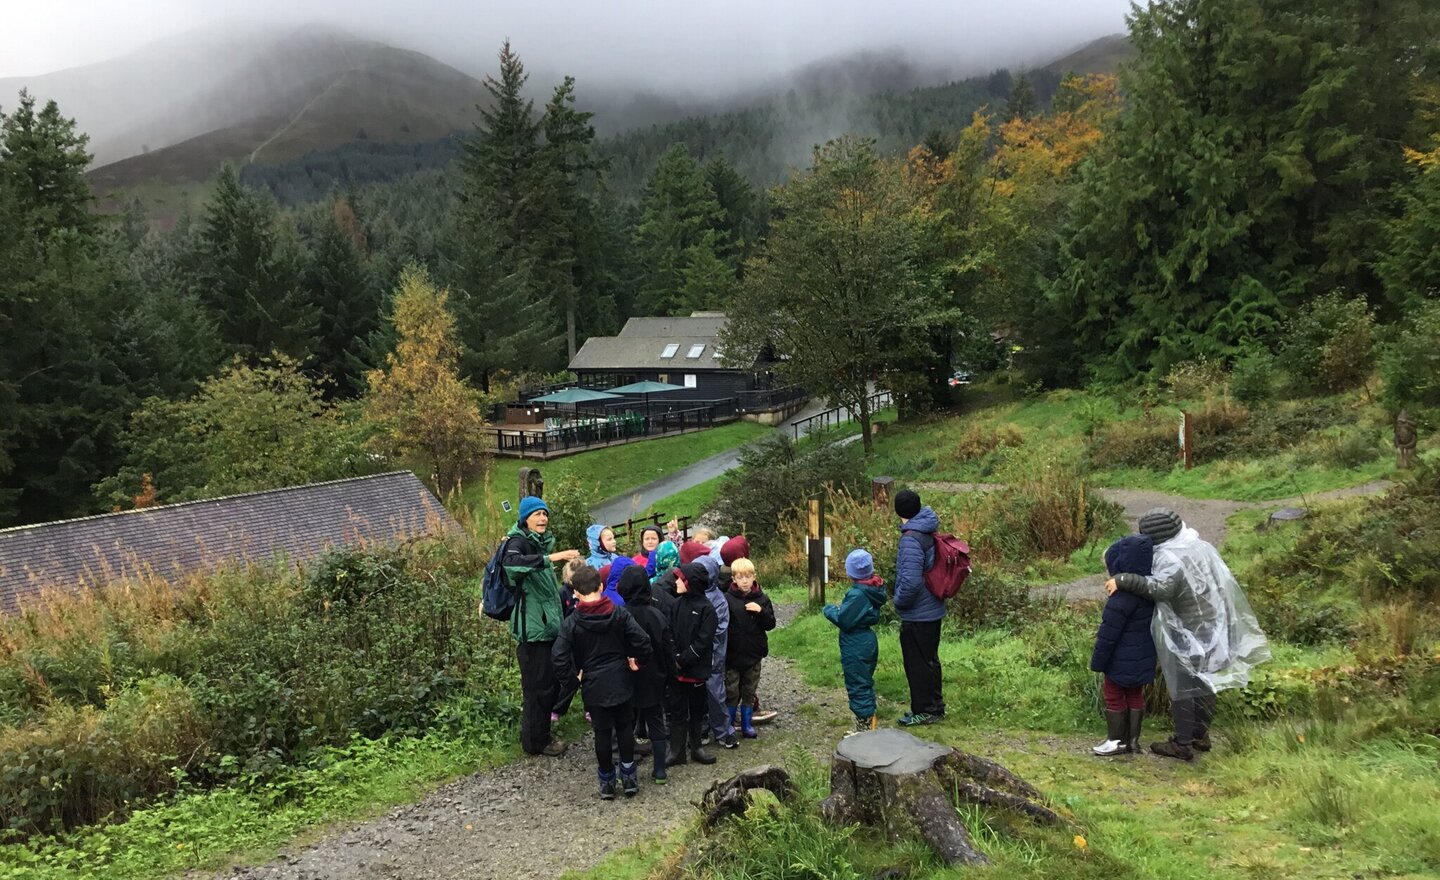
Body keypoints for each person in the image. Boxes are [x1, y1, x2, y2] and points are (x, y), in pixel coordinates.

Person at [1107, 508, 1271, 760]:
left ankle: (1182, 743)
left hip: (1187, 631)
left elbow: (1161, 588)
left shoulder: (1171, 558)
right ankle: (1200, 735)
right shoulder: (1200, 546)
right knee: (1205, 681)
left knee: (1183, 686)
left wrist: (1125, 579)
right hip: (1214, 625)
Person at [552, 564, 653, 799]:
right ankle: (629, 778)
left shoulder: (572, 622)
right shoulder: (619, 613)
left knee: (602, 733)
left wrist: (572, 680)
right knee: (624, 728)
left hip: (593, 683)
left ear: (575, 592)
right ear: (601, 586)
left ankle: (607, 783)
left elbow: (557, 656)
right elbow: (643, 640)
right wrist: (638, 661)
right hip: (621, 678)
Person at [503, 495, 581, 757]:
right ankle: (536, 742)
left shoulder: (537, 543)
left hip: (546, 628)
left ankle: (539, 736)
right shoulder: (518, 542)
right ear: (525, 518)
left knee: (548, 684)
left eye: (545, 514)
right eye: (537, 514)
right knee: (537, 688)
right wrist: (551, 557)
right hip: (532, 631)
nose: (543, 518)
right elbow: (511, 565)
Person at [1089, 535, 1156, 757]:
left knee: (1113, 694)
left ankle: (1115, 740)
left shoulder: (1120, 600)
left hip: (1119, 660)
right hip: (1143, 657)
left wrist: (1098, 662)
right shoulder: (1150, 594)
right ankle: (1133, 742)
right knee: (1135, 695)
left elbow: (1108, 635)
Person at [892, 490, 947, 726]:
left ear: (898, 511)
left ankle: (924, 710)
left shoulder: (911, 539)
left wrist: (898, 601)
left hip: (918, 612)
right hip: (933, 607)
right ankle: (935, 706)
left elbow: (911, 581)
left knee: (917, 663)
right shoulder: (927, 528)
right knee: (930, 660)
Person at [617, 564, 675, 784]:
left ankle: (626, 767)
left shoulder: (619, 616)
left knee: (625, 724)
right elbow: (668, 649)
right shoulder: (657, 616)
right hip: (654, 677)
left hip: (626, 678)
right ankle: (659, 770)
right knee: (656, 722)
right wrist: (671, 676)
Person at [825, 549, 888, 732]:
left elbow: (844, 620)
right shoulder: (872, 589)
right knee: (864, 680)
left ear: (850, 572)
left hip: (855, 643)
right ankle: (869, 720)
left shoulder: (857, 594)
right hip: (867, 640)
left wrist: (829, 610)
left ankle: (865, 727)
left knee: (857, 682)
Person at [665, 562, 718, 767]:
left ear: (691, 583)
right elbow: (668, 631)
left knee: (697, 709)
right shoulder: (676, 604)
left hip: (696, 669)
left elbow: (703, 642)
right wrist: (674, 656)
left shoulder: (707, 609)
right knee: (677, 709)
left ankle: (697, 747)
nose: (676, 581)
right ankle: (676, 751)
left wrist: (683, 658)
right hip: (677, 670)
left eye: (680, 578)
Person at [724, 557, 775, 738]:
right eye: (740, 577)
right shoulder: (727, 599)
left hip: (754, 655)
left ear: (754, 577)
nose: (745, 581)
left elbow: (771, 624)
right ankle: (728, 726)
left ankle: (747, 725)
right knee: (731, 691)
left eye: (748, 576)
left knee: (749, 691)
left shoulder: (763, 598)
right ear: (734, 579)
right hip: (732, 656)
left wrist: (760, 611)